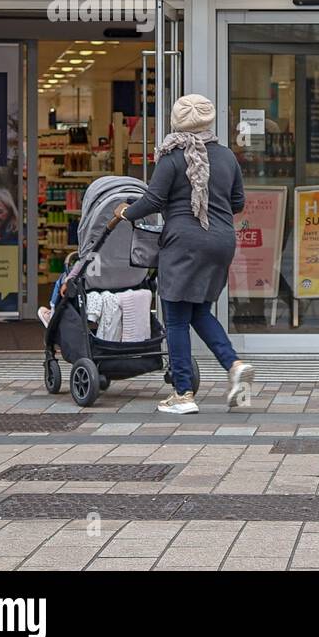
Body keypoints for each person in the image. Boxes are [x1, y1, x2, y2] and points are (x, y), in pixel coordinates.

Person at [112, 94, 256, 415]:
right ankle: (234, 365)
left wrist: (125, 212)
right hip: (220, 242)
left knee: (176, 318)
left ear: (176, 120)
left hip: (183, 243)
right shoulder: (226, 157)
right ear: (209, 120)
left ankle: (183, 393)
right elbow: (237, 203)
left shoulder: (173, 156)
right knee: (200, 311)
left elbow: (152, 200)